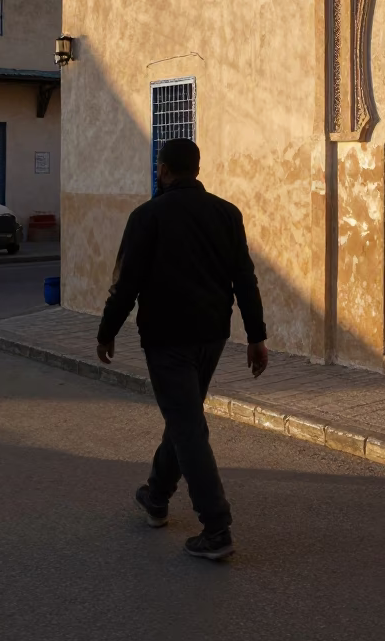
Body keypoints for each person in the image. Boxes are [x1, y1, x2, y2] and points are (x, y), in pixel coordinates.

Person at [96, 137, 268, 561]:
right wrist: (257, 336)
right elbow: (244, 279)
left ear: (164, 169)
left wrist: (106, 332)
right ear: (197, 168)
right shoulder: (227, 214)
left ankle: (216, 528)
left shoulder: (147, 216)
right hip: (212, 336)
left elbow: (126, 284)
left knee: (188, 427)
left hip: (167, 340)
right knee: (184, 418)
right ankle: (156, 497)